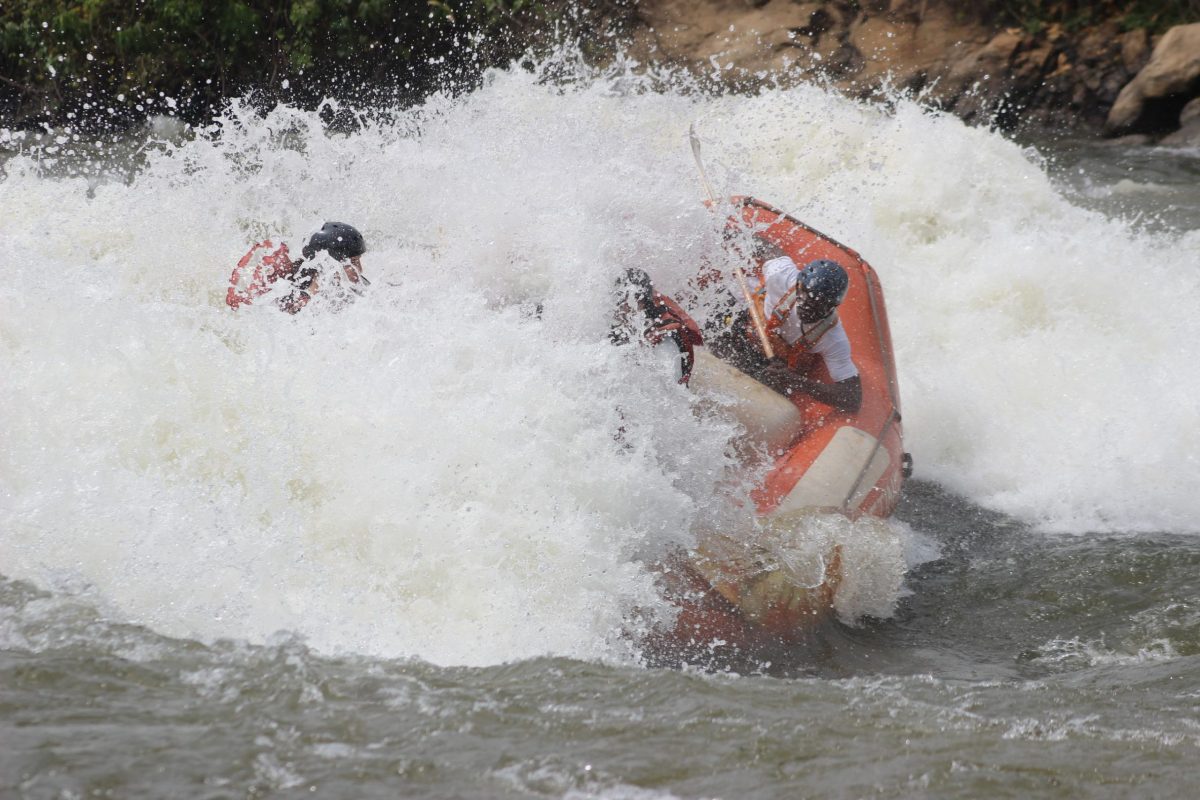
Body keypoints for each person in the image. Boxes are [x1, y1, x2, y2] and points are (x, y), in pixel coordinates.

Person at [709, 247, 861, 414]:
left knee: (764, 384)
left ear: (833, 307)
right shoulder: (781, 274)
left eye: (818, 308)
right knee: (714, 319)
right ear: (798, 286)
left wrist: (796, 381)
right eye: (804, 299)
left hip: (768, 363)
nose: (807, 310)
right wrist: (738, 239)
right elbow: (769, 250)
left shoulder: (833, 338)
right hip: (745, 322)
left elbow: (852, 397)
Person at [226, 222, 368, 314]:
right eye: (354, 262)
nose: (359, 270)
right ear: (327, 264)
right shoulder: (280, 283)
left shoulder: (351, 287)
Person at [611, 268, 703, 384]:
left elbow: (671, 389)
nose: (617, 307)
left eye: (622, 301)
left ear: (640, 303)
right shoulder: (639, 318)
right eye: (617, 299)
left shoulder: (666, 342)